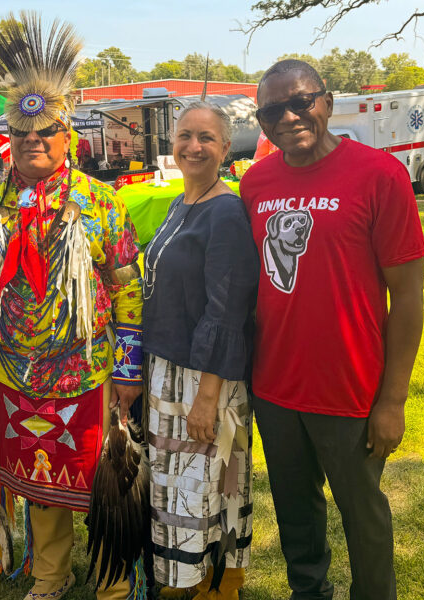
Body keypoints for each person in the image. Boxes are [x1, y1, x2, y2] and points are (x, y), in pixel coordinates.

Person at [0, 13, 144, 600]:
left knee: (103, 480)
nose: (33, 142)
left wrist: (129, 369)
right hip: (12, 374)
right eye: (22, 136)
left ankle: (111, 584)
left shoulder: (99, 202)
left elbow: (127, 288)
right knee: (40, 482)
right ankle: (49, 578)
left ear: (68, 139)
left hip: (89, 372)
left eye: (46, 134)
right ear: (8, 139)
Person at [239, 59, 424, 600]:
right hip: (275, 388)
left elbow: (409, 298)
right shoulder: (255, 182)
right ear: (262, 120)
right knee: (296, 515)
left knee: (363, 516)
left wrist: (392, 400)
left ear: (327, 100)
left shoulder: (378, 175)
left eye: (302, 102)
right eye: (274, 110)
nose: (290, 117)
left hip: (351, 391)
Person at [142, 102, 259, 600]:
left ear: (226, 148)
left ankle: (205, 587)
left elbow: (227, 308)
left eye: (206, 138)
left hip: (201, 378)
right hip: (167, 373)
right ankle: (185, 583)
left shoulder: (226, 211)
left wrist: (207, 394)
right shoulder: (181, 203)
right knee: (179, 492)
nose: (194, 146)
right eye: (185, 135)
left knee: (199, 490)